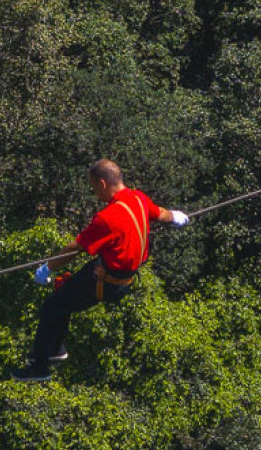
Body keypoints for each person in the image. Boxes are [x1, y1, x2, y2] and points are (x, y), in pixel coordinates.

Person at [12, 159, 190, 382]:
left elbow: (76, 248)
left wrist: (47, 268)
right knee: (63, 294)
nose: (95, 193)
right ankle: (55, 349)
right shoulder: (139, 198)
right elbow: (161, 213)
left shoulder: (108, 218)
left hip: (107, 283)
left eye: (94, 186)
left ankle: (39, 367)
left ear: (102, 183)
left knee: (52, 307)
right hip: (120, 277)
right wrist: (176, 217)